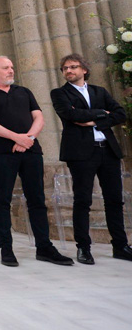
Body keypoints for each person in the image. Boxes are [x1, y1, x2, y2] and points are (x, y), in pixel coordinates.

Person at [0, 56, 73, 266]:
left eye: (11, 67)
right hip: (2, 153)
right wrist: (15, 137)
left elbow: (39, 118)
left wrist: (28, 139)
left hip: (31, 151)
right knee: (3, 200)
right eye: (5, 68)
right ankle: (6, 249)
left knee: (37, 199)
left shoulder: (24, 91)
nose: (11, 70)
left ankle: (44, 248)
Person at [50, 53, 132, 264]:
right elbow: (71, 115)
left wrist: (94, 120)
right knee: (83, 200)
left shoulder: (99, 91)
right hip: (80, 153)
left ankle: (120, 246)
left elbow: (120, 113)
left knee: (114, 199)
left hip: (107, 150)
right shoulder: (60, 93)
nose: (69, 71)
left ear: (84, 70)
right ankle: (83, 248)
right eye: (65, 68)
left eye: (73, 67)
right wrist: (102, 114)